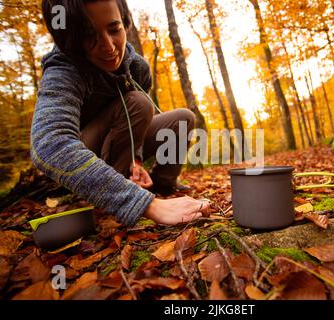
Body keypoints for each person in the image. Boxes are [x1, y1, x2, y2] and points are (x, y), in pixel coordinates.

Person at [31, 0, 210, 227]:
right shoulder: (63, 70)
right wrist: (144, 205)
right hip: (87, 151)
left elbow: (138, 122)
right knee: (139, 102)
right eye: (89, 35)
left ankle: (163, 185)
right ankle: (118, 194)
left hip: (120, 138)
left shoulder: (138, 69)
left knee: (182, 118)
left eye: (114, 30)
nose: (108, 47)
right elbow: (48, 143)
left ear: (125, 23)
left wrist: (135, 159)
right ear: (71, 38)